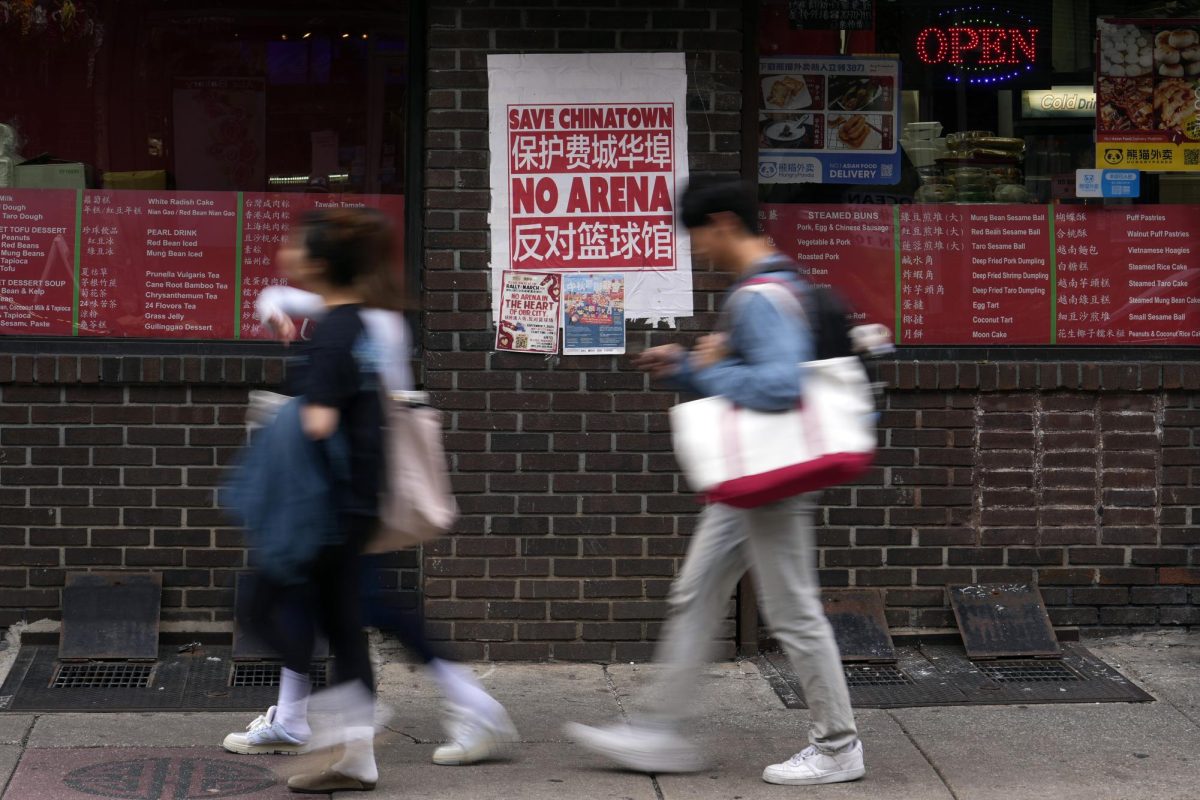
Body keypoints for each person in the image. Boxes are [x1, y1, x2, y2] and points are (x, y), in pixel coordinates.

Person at [565, 178, 865, 787]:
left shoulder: (758, 296)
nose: (695, 249)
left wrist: (709, 368)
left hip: (770, 476)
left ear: (723, 222)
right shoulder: (779, 280)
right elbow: (750, 374)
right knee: (697, 592)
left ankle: (838, 745)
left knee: (792, 610)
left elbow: (779, 387)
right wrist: (686, 366)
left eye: (696, 234)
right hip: (751, 476)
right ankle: (657, 732)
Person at [222, 209, 514, 784]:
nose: (290, 254)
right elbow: (286, 301)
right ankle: (345, 740)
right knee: (346, 616)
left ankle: (349, 719)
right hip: (356, 498)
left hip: (325, 506)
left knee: (270, 606)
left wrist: (283, 423)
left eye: (299, 247)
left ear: (322, 263)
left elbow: (320, 422)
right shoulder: (366, 321)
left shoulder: (344, 330)